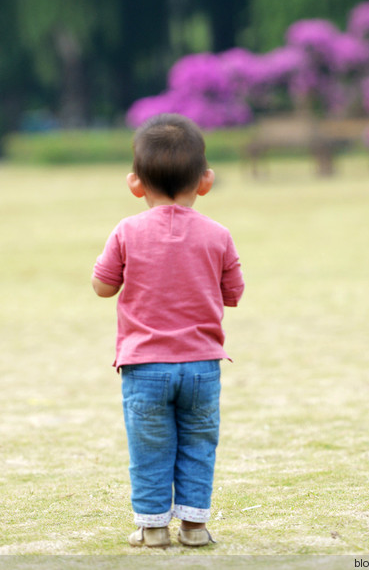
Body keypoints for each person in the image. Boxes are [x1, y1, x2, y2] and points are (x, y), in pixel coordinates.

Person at [92, 113, 244, 549]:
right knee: (199, 444)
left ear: (135, 183)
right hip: (201, 366)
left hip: (144, 367)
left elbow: (103, 287)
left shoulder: (126, 231)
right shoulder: (218, 235)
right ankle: (194, 527)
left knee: (149, 449)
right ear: (206, 181)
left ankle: (153, 526)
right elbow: (233, 294)